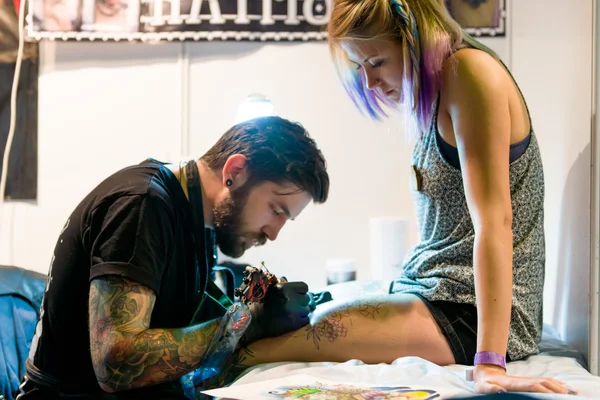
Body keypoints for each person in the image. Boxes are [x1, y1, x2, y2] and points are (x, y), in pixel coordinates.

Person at [206, 0, 573, 396]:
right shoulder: (436, 93)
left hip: (469, 311)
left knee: (254, 348)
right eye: (359, 67)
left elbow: (496, 223)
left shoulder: (470, 74)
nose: (369, 83)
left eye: (377, 62)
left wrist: (489, 364)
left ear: (416, 38)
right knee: (314, 310)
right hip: (435, 291)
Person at [17, 115, 330, 399]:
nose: (273, 233)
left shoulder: (200, 223)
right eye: (276, 210)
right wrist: (247, 323)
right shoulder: (143, 205)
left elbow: (190, 338)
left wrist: (261, 305)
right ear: (235, 171)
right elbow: (115, 363)